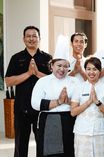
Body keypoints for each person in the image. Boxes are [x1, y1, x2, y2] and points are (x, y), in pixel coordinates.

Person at [5, 25, 52, 157]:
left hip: (41, 108)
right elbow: (8, 81)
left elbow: (54, 81)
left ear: (39, 38)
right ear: (23, 39)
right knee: (21, 145)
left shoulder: (48, 58)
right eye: (28, 36)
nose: (31, 39)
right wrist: (28, 73)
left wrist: (36, 73)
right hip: (21, 108)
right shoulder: (16, 58)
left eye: (34, 36)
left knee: (43, 144)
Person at [31, 35, 79, 157]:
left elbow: (80, 102)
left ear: (69, 68)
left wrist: (67, 101)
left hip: (71, 121)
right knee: (51, 154)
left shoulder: (75, 81)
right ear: (52, 65)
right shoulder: (43, 81)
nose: (62, 69)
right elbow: (35, 104)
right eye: (59, 65)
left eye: (65, 66)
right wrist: (58, 101)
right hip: (49, 122)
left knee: (70, 153)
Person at [70, 57, 104, 157]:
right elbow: (73, 112)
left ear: (100, 71)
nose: (91, 72)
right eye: (88, 69)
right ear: (85, 70)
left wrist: (97, 102)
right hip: (82, 132)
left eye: (95, 69)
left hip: (99, 132)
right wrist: (88, 102)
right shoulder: (79, 87)